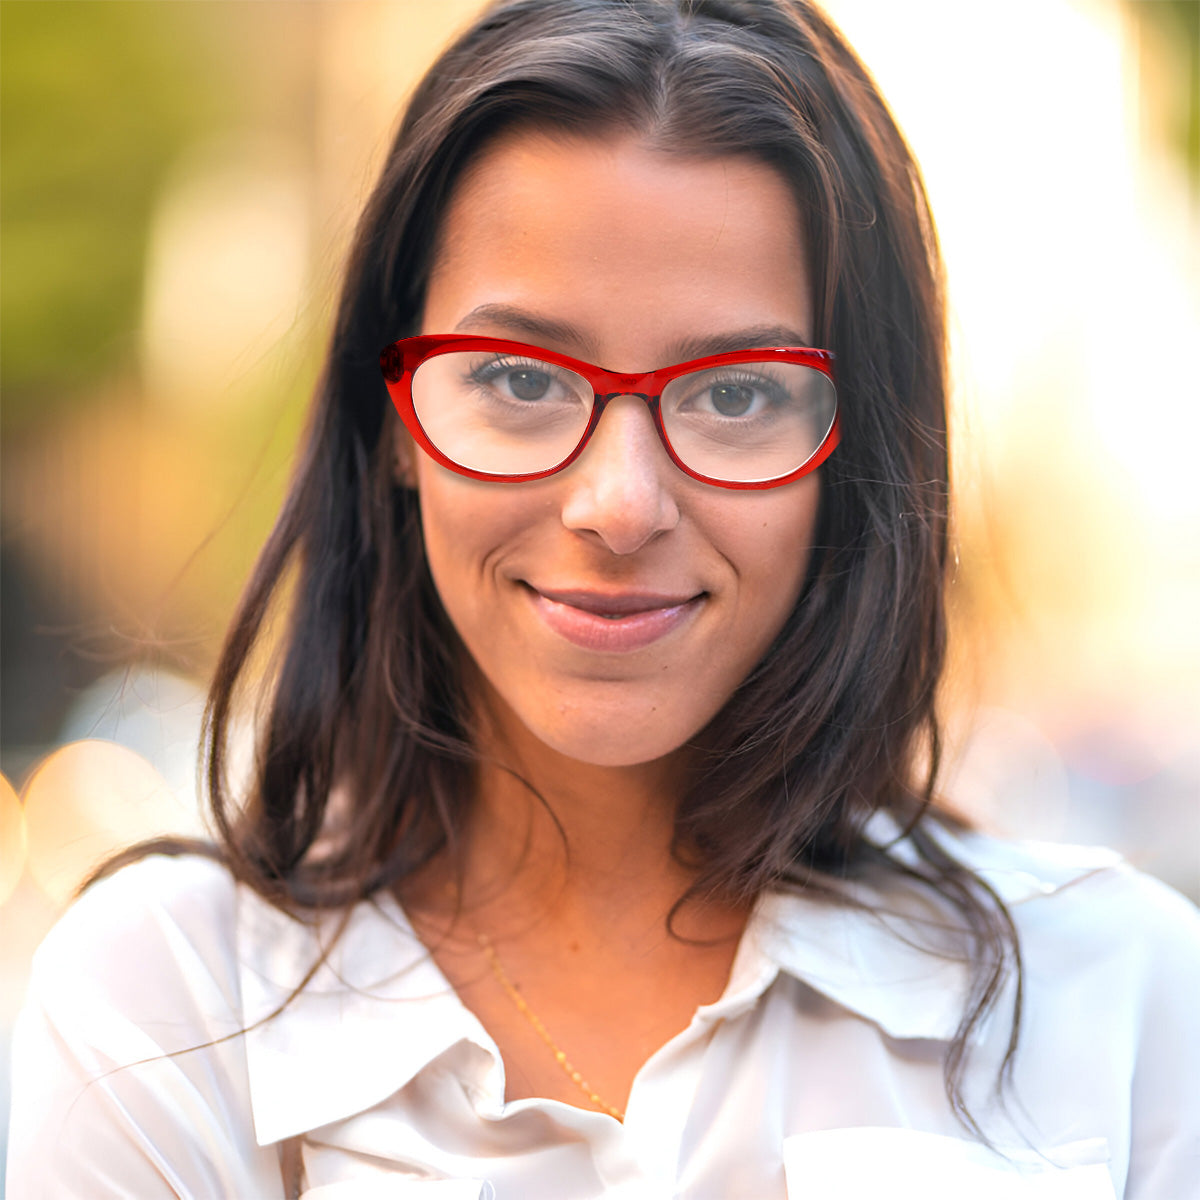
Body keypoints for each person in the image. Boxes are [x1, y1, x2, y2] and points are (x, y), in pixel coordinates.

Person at [7, 1, 1198, 1196]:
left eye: (735, 395)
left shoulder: (1116, 1007)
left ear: (856, 452)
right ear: (397, 426)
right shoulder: (165, 1008)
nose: (619, 506)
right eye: (521, 378)